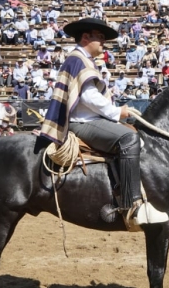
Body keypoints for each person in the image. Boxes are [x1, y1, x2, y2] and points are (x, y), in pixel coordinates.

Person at [39, 17, 150, 223]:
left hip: (87, 119)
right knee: (129, 139)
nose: (103, 42)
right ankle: (130, 204)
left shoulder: (81, 60)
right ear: (84, 38)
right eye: (99, 37)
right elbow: (88, 96)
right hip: (82, 122)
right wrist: (117, 112)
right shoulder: (78, 60)